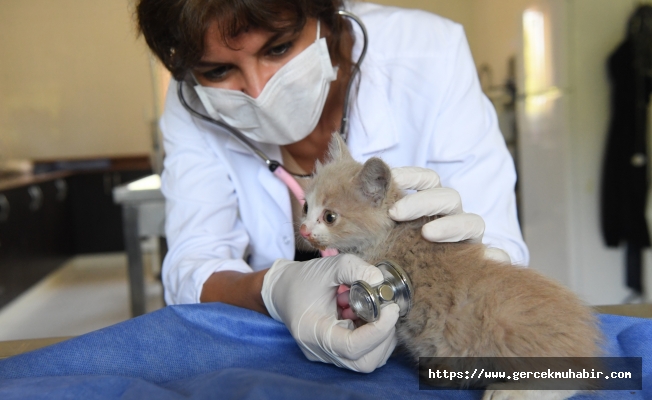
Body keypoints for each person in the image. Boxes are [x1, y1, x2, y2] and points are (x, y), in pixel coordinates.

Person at [136, 0, 529, 373]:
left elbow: (500, 249)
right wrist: (273, 290)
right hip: (277, 356)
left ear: (329, 14)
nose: (258, 92)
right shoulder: (194, 104)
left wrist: (430, 272)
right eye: (218, 71)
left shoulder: (430, 54)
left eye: (279, 47)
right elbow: (193, 266)